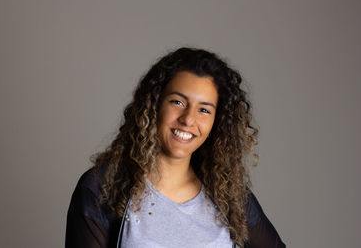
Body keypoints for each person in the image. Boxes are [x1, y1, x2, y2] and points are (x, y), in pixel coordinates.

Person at [65, 47, 286, 248]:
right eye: (178, 102)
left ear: (216, 123)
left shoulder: (230, 196)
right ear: (154, 105)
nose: (189, 119)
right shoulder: (103, 189)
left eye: (204, 110)